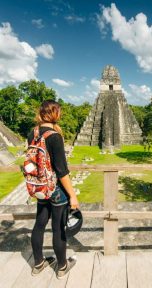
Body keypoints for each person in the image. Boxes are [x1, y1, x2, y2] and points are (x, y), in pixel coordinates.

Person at [27, 100, 80, 279]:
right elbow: (62, 171)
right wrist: (72, 195)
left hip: (40, 187)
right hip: (55, 189)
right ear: (55, 113)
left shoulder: (32, 133)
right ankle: (62, 267)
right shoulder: (54, 136)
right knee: (58, 229)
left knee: (39, 224)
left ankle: (38, 263)